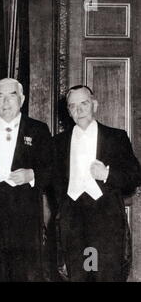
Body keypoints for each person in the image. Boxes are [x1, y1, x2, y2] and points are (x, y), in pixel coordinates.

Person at [53, 85, 141, 282]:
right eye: (72, 106)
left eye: (84, 104)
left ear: (94, 105)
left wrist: (107, 174)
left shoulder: (116, 137)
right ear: (68, 111)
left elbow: (134, 177)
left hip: (106, 223)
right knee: (79, 276)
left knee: (106, 277)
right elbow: (53, 181)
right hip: (73, 224)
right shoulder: (58, 143)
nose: (79, 110)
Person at [0, 78, 53, 281]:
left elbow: (53, 168)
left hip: (24, 213)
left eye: (12, 95)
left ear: (22, 99)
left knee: (24, 271)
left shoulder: (37, 129)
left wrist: (32, 174)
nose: (6, 102)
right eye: (1, 96)